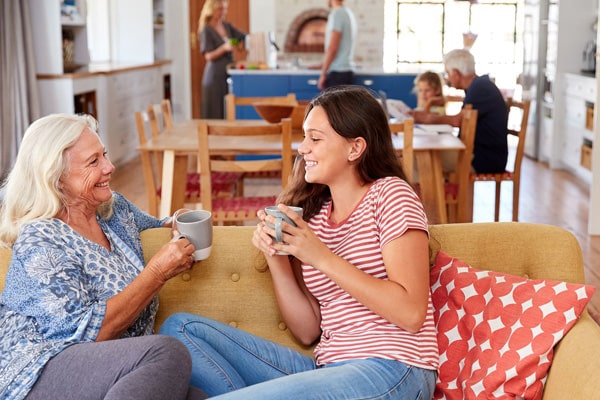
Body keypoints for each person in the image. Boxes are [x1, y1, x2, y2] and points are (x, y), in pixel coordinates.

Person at [159, 85, 439, 399]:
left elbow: (411, 313)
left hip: (393, 369)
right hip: (330, 369)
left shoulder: (390, 194)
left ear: (355, 148)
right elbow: (308, 331)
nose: (302, 148)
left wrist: (319, 256)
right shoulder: (316, 217)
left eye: (315, 138)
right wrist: (277, 257)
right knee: (180, 332)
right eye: (304, 136)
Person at [0, 114, 206, 399]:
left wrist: (177, 222)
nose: (110, 167)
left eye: (104, 155)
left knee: (194, 395)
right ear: (55, 176)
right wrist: (157, 273)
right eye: (93, 161)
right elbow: (87, 336)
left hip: (110, 368)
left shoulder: (113, 209)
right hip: (40, 369)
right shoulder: (41, 239)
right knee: (166, 352)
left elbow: (158, 227)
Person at [410, 49, 508, 173]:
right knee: (421, 155)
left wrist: (427, 118)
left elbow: (457, 121)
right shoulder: (478, 86)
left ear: (456, 73)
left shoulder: (480, 88)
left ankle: (431, 193)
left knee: (416, 158)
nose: (447, 79)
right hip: (477, 154)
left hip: (483, 159)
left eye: (447, 74)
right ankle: (438, 192)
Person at [198, 0, 246, 119]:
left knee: (227, 111)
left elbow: (243, 37)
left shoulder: (226, 26)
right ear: (211, 9)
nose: (223, 12)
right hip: (214, 77)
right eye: (220, 9)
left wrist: (241, 45)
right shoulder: (206, 29)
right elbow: (208, 56)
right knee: (215, 112)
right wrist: (224, 48)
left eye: (225, 8)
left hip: (227, 74)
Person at [316, 0, 357, 90]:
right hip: (346, 72)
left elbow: (333, 48)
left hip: (338, 74)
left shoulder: (337, 14)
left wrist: (323, 74)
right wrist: (323, 65)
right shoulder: (347, 13)